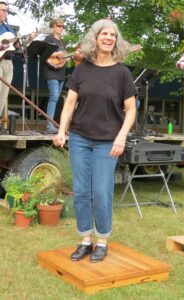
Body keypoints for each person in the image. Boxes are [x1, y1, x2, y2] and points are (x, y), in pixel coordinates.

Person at [53, 19, 137, 262]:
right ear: (95, 38)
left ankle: (102, 241)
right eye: (104, 34)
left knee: (101, 191)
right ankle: (85, 240)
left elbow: (131, 110)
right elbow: (70, 103)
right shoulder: (82, 69)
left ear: (116, 40)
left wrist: (121, 137)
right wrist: (62, 130)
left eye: (113, 34)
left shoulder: (122, 72)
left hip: (107, 141)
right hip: (79, 138)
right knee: (81, 192)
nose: (109, 38)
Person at [0, 1, 36, 134]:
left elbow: (16, 46)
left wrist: (27, 40)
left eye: (6, 11)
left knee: (3, 94)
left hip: (9, 62)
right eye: (3, 10)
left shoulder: (9, 29)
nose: (5, 13)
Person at [43, 18, 68, 134]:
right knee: (53, 97)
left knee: (56, 98)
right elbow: (44, 53)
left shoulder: (62, 42)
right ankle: (49, 125)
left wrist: (68, 57)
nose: (61, 28)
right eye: (59, 26)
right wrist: (57, 54)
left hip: (60, 72)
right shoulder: (49, 38)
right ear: (53, 26)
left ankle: (52, 124)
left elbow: (64, 56)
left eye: (63, 26)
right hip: (51, 71)